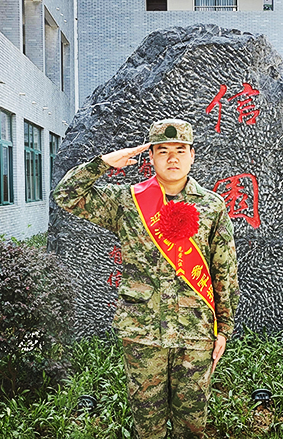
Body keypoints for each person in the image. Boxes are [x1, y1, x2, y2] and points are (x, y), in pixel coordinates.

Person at [52, 118, 239, 438]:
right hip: (142, 333)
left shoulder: (212, 206)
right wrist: (104, 163)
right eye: (163, 151)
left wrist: (224, 328)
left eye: (180, 150)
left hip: (196, 332)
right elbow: (66, 195)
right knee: (147, 426)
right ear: (150, 156)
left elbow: (225, 269)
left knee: (192, 426)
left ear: (192, 155)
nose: (172, 158)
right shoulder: (128, 202)